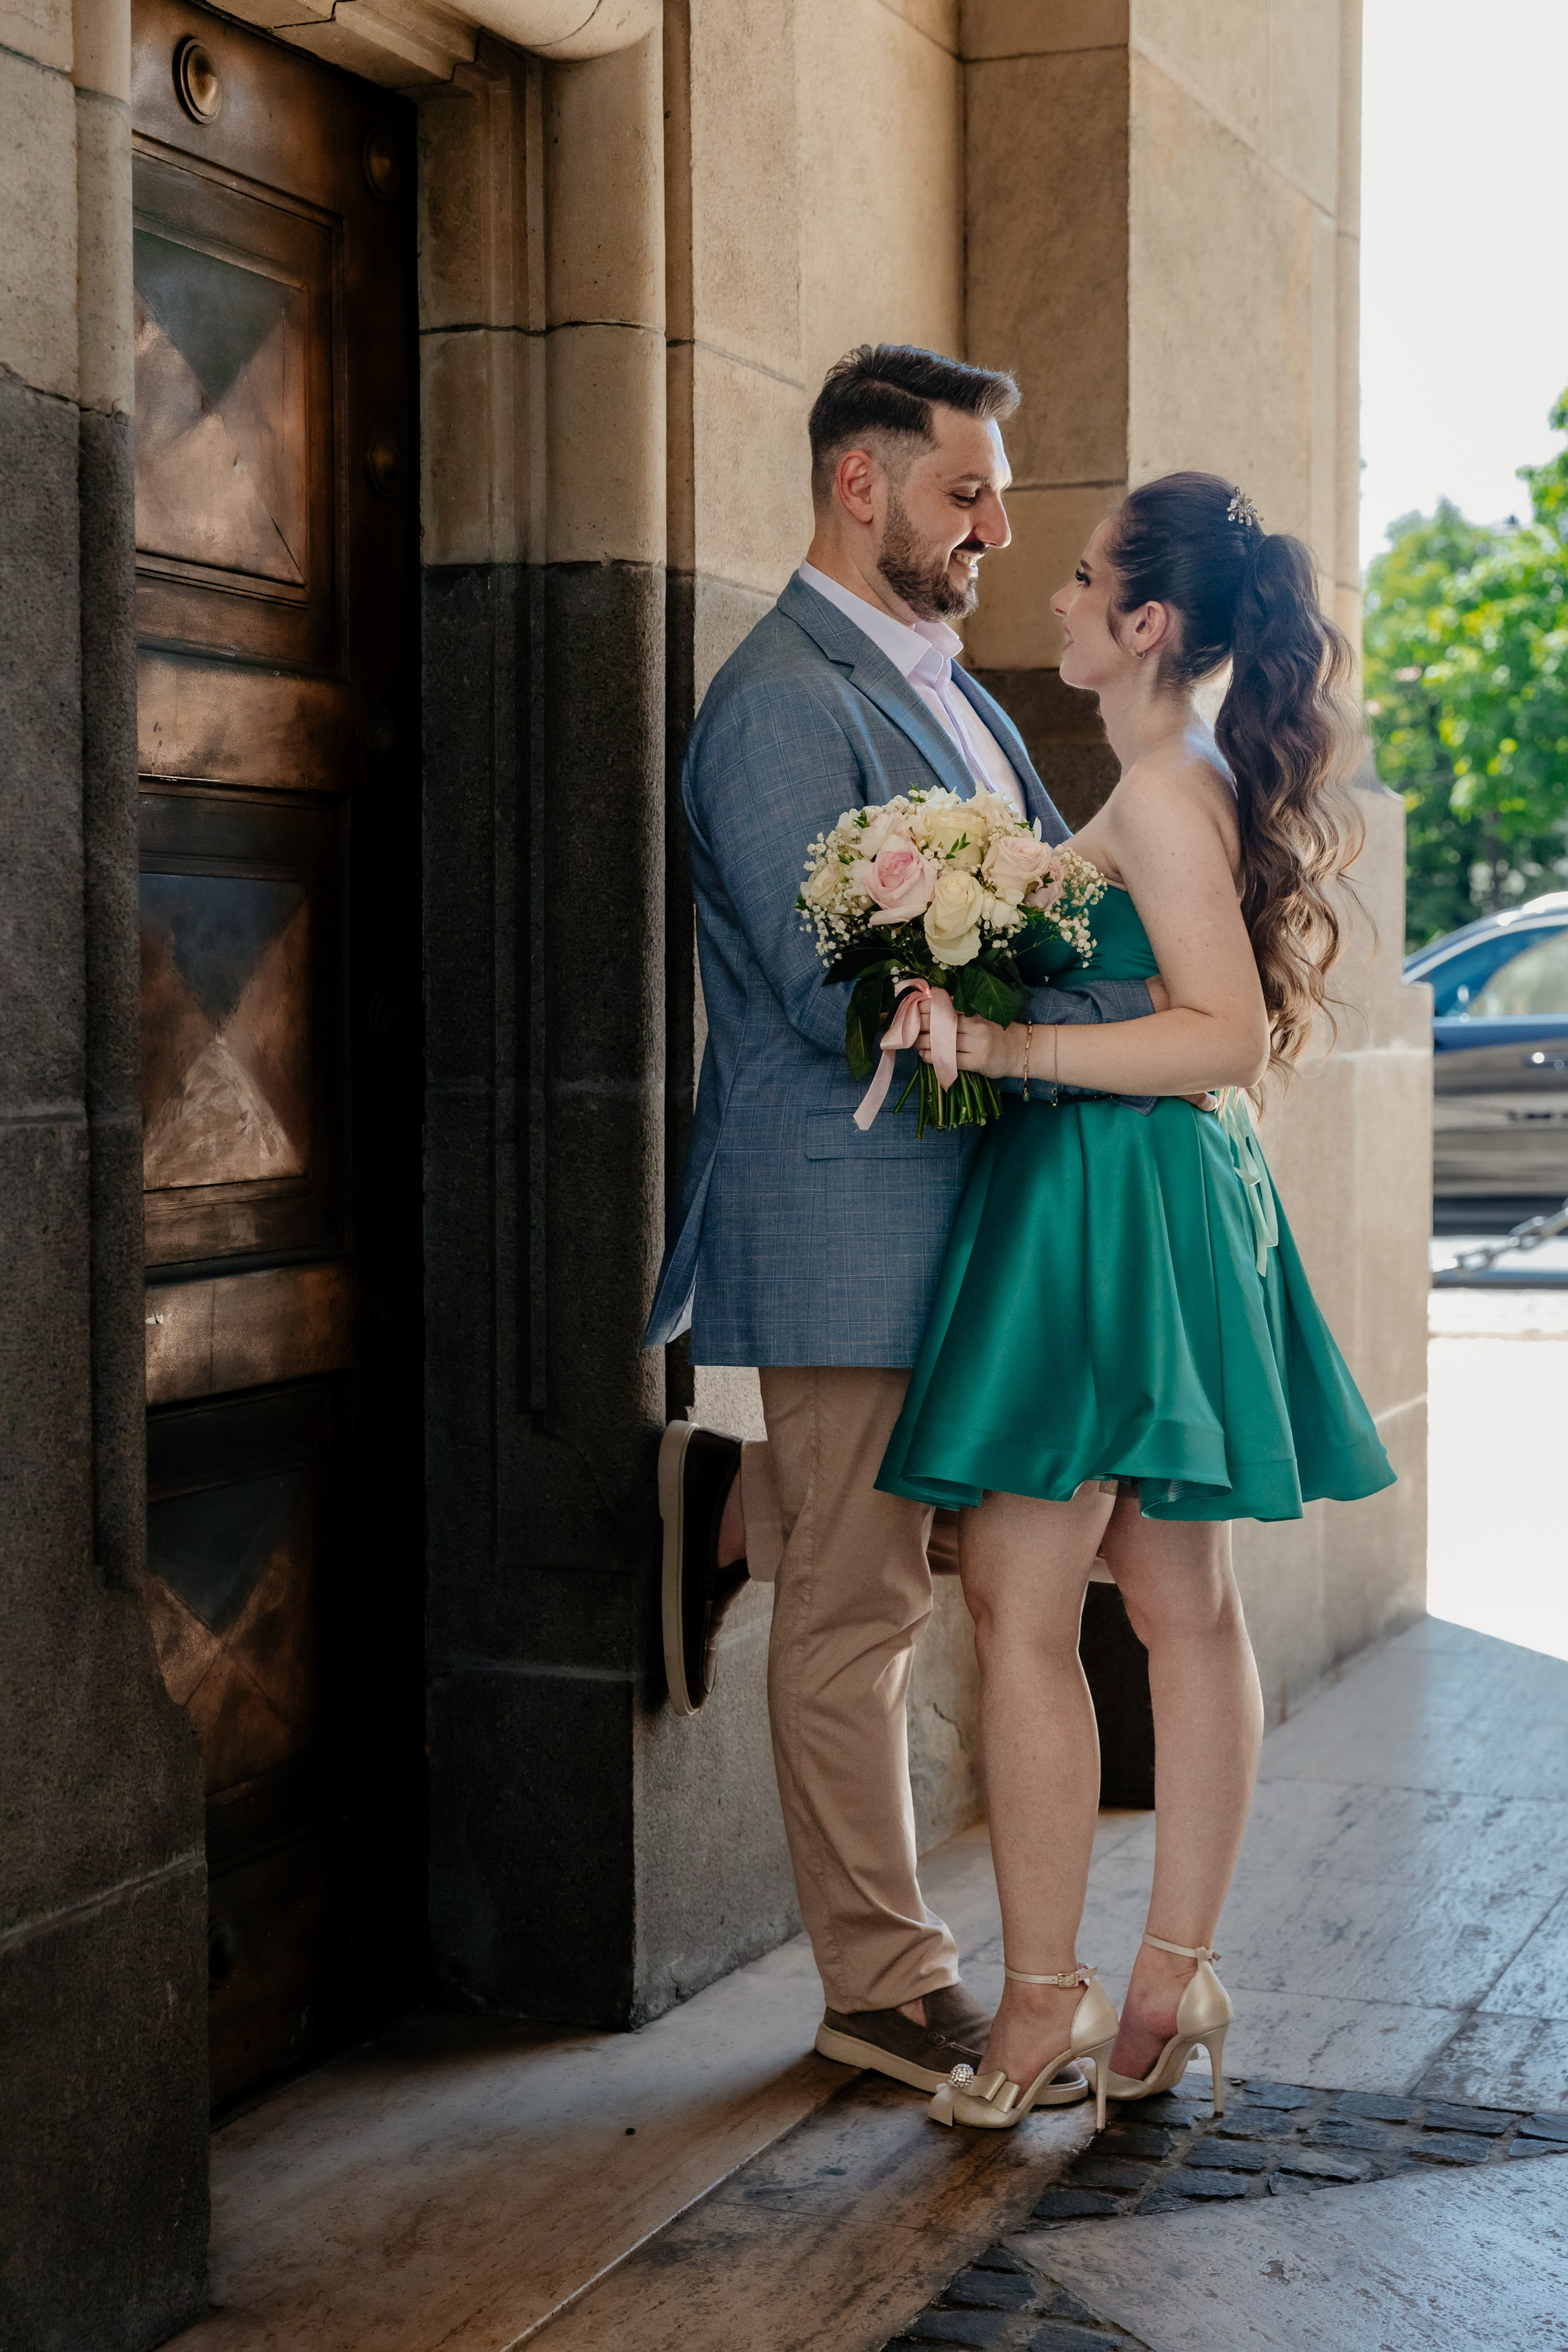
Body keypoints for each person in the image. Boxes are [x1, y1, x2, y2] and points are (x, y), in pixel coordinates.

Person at [644, 345, 1176, 2100]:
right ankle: (881, 1985)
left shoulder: (959, 691)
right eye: (967, 492)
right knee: (859, 1612)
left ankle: (724, 1502)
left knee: (956, 1564)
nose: (998, 531)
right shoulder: (783, 699)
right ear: (859, 484)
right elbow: (835, 990)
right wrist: (1080, 1025)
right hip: (858, 1219)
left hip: (990, 1212)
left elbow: (1019, 903)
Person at [877, 473, 1396, 2133]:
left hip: (1115, 1201)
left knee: (1027, 1606)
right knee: (1179, 1605)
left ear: (1146, 624)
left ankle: (1045, 2007)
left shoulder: (1167, 791)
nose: (1055, 594)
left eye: (1087, 577)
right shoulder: (1168, 777)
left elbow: (1224, 1032)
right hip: (1149, 1202)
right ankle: (1166, 1982)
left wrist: (1007, 1042)